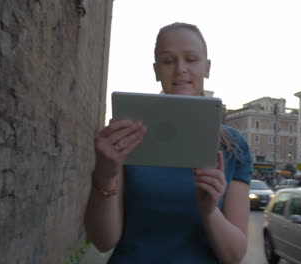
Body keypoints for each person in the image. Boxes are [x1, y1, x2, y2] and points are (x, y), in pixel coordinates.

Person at [84, 22, 253, 264]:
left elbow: (234, 255)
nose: (180, 69)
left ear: (207, 67)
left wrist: (208, 212)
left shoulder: (234, 146)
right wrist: (104, 174)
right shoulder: (129, 136)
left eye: (191, 59)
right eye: (168, 61)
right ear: (156, 70)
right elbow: (103, 241)